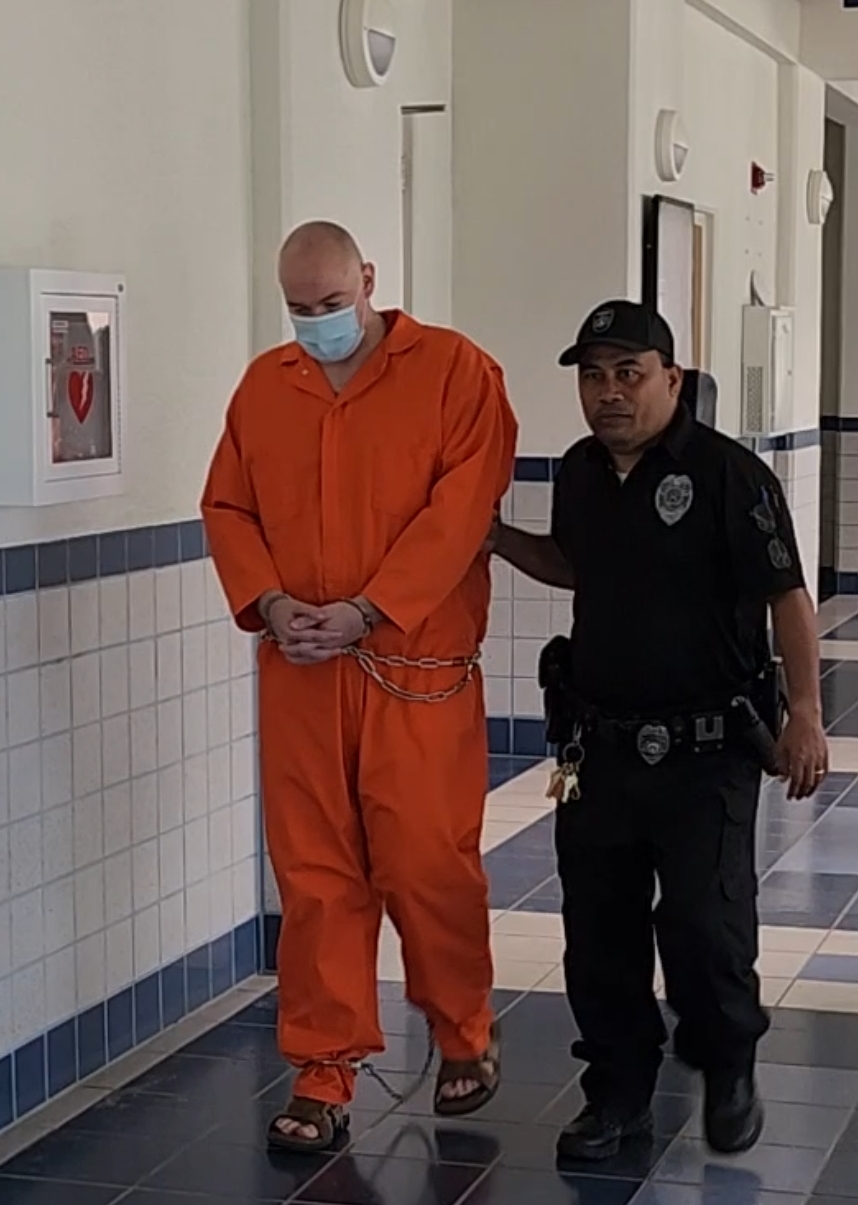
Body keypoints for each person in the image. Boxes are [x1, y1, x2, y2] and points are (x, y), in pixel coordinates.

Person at [202, 222, 518, 1151]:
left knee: (427, 862)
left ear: (370, 280)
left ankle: (463, 1031)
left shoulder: (456, 373)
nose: (316, 323)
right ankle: (321, 1071)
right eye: (299, 309)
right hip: (303, 672)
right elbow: (227, 505)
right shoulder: (267, 387)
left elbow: (463, 508)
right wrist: (268, 600)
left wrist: (372, 608)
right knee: (315, 876)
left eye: (332, 304)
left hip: (415, 669)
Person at [490, 300, 828, 1162]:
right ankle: (617, 1095)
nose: (609, 392)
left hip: (706, 752)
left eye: (628, 374)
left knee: (705, 926)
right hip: (600, 746)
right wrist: (493, 537)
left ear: (671, 379)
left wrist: (805, 713)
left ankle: (728, 1061)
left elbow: (787, 596)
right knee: (598, 932)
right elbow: (575, 564)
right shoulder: (579, 471)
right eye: (592, 376)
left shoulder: (730, 475)